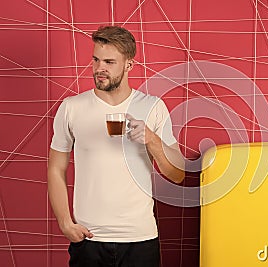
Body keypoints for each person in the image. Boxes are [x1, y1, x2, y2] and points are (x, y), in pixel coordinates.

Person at [48, 25, 185, 267]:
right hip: (88, 240)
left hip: (140, 239)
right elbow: (56, 169)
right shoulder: (72, 107)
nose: (99, 68)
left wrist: (151, 139)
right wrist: (65, 223)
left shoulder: (153, 107)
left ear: (129, 65)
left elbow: (177, 174)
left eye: (109, 62)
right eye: (96, 60)